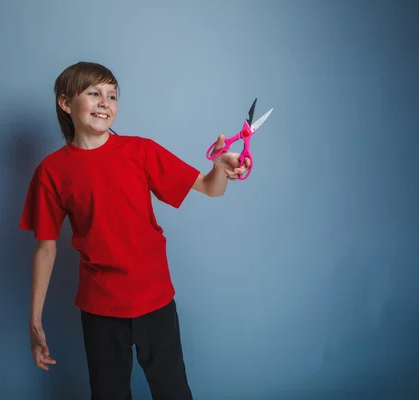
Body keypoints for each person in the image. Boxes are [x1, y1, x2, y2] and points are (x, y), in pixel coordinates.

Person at [19, 61, 250, 399]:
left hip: (154, 298)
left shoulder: (140, 150)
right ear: (66, 103)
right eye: (94, 93)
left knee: (172, 390)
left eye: (112, 95)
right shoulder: (51, 171)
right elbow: (46, 247)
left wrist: (218, 167)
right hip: (99, 307)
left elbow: (210, 188)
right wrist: (34, 318)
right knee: (108, 393)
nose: (105, 102)